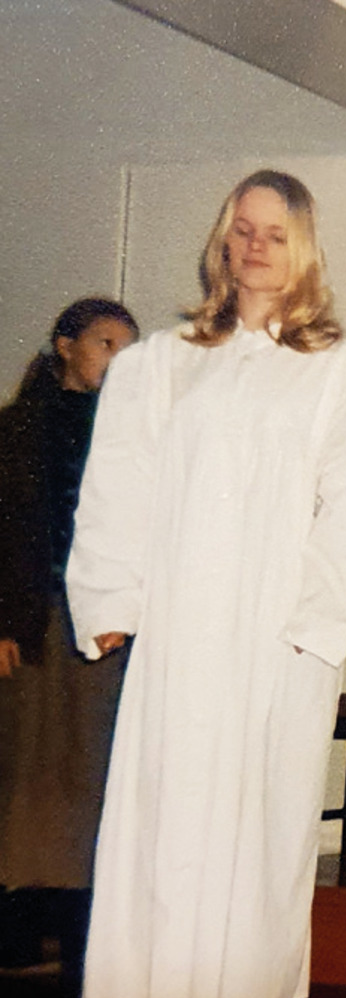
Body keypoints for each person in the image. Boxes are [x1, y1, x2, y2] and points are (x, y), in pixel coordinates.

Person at [66, 170, 346, 998]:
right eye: (243, 230)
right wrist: (111, 599)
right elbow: (119, 485)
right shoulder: (165, 364)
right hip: (182, 626)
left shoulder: (339, 376)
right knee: (171, 809)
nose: (256, 247)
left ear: (304, 250)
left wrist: (313, 630)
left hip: (274, 632)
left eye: (275, 234)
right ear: (222, 241)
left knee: (258, 819)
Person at [0, 299, 138, 920]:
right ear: (65, 345)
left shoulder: (129, 436)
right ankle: (18, 912)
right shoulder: (17, 430)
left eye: (128, 349)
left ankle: (81, 912)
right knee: (24, 759)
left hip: (98, 619)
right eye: (106, 344)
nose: (118, 359)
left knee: (89, 762)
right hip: (30, 616)